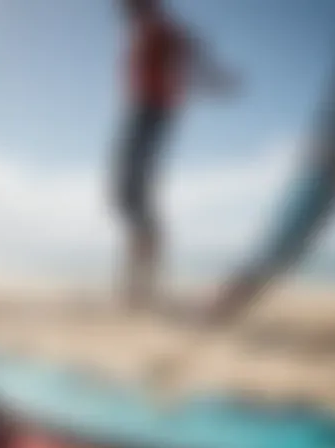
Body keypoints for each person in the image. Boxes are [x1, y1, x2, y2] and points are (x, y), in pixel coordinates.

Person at [114, 0, 239, 311]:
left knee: (134, 196)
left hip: (153, 112)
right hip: (141, 112)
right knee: (128, 197)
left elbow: (195, 54)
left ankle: (141, 287)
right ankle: (138, 285)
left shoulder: (165, 30)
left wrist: (217, 81)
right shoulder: (143, 30)